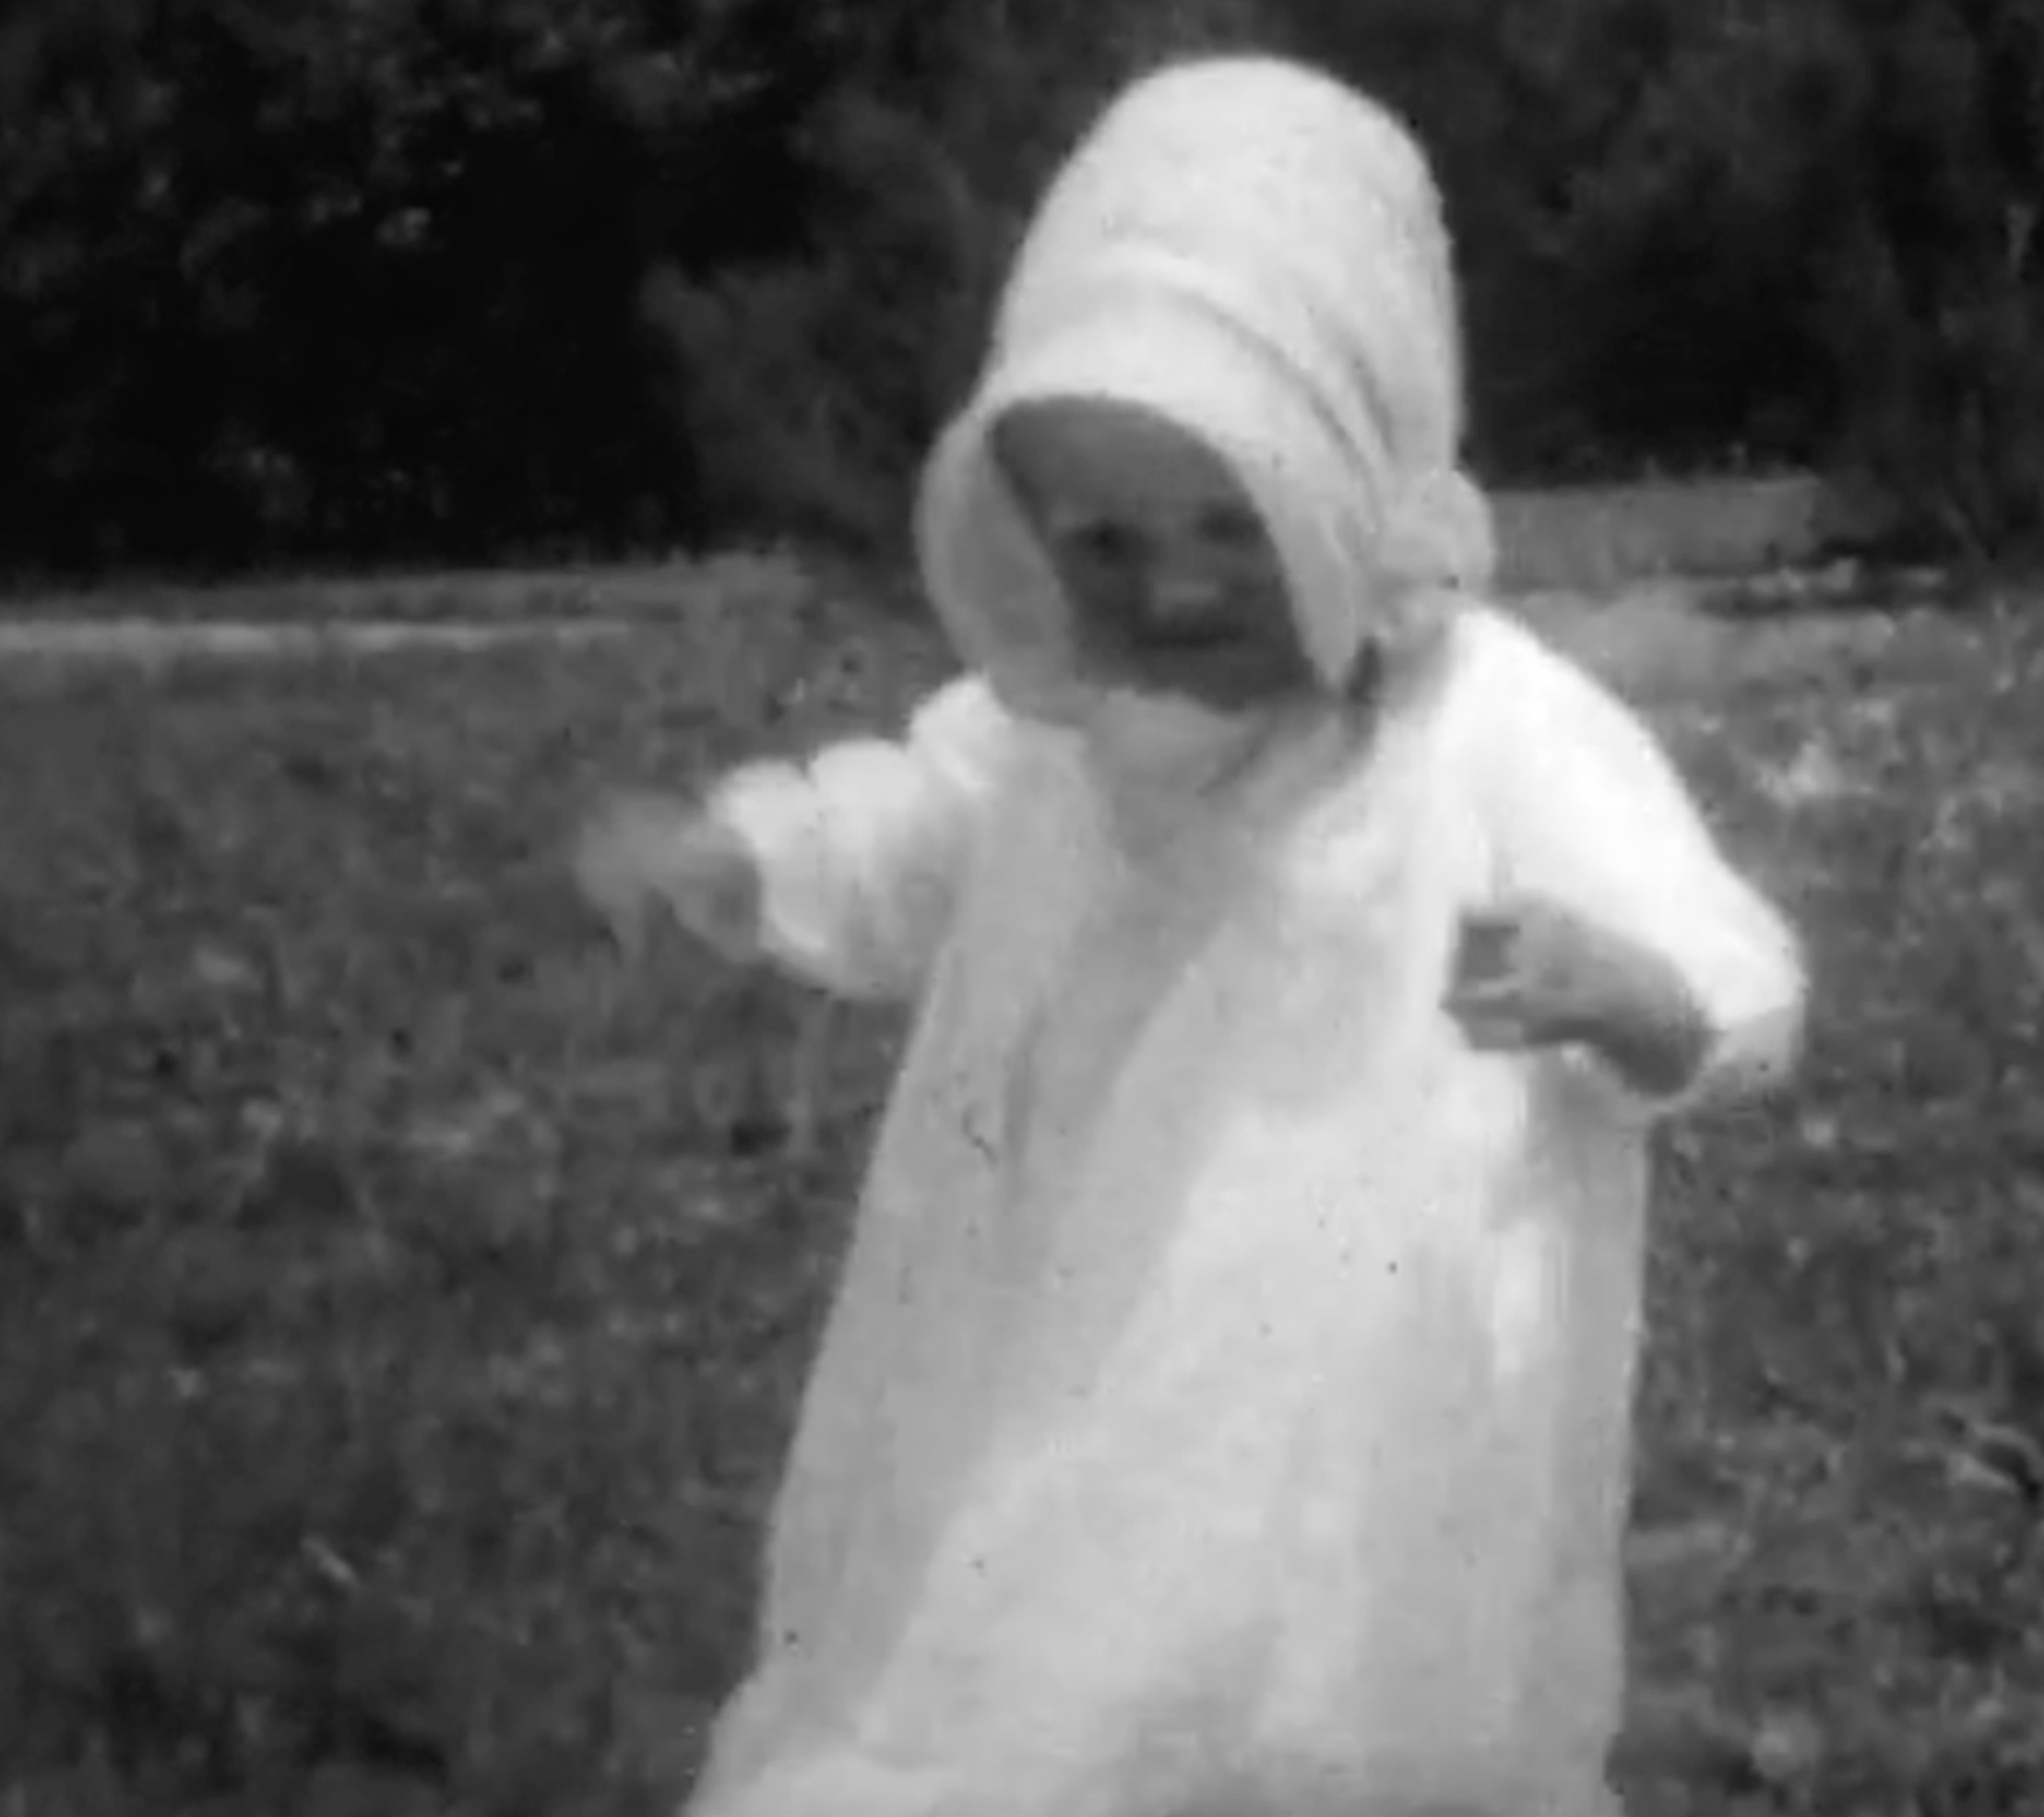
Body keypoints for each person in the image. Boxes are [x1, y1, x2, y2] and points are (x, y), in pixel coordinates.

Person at [574, 53, 1807, 1817]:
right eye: (1104, 541)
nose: (1171, 588)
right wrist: (746, 855)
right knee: (1036, 1658)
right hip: (1065, 1341)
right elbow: (907, 826)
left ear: (1356, 469)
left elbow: (1726, 967)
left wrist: (1632, 999)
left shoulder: (1485, 724)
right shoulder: (1059, 728)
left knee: (1329, 1712)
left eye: (1235, 523)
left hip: (1368, 1390)